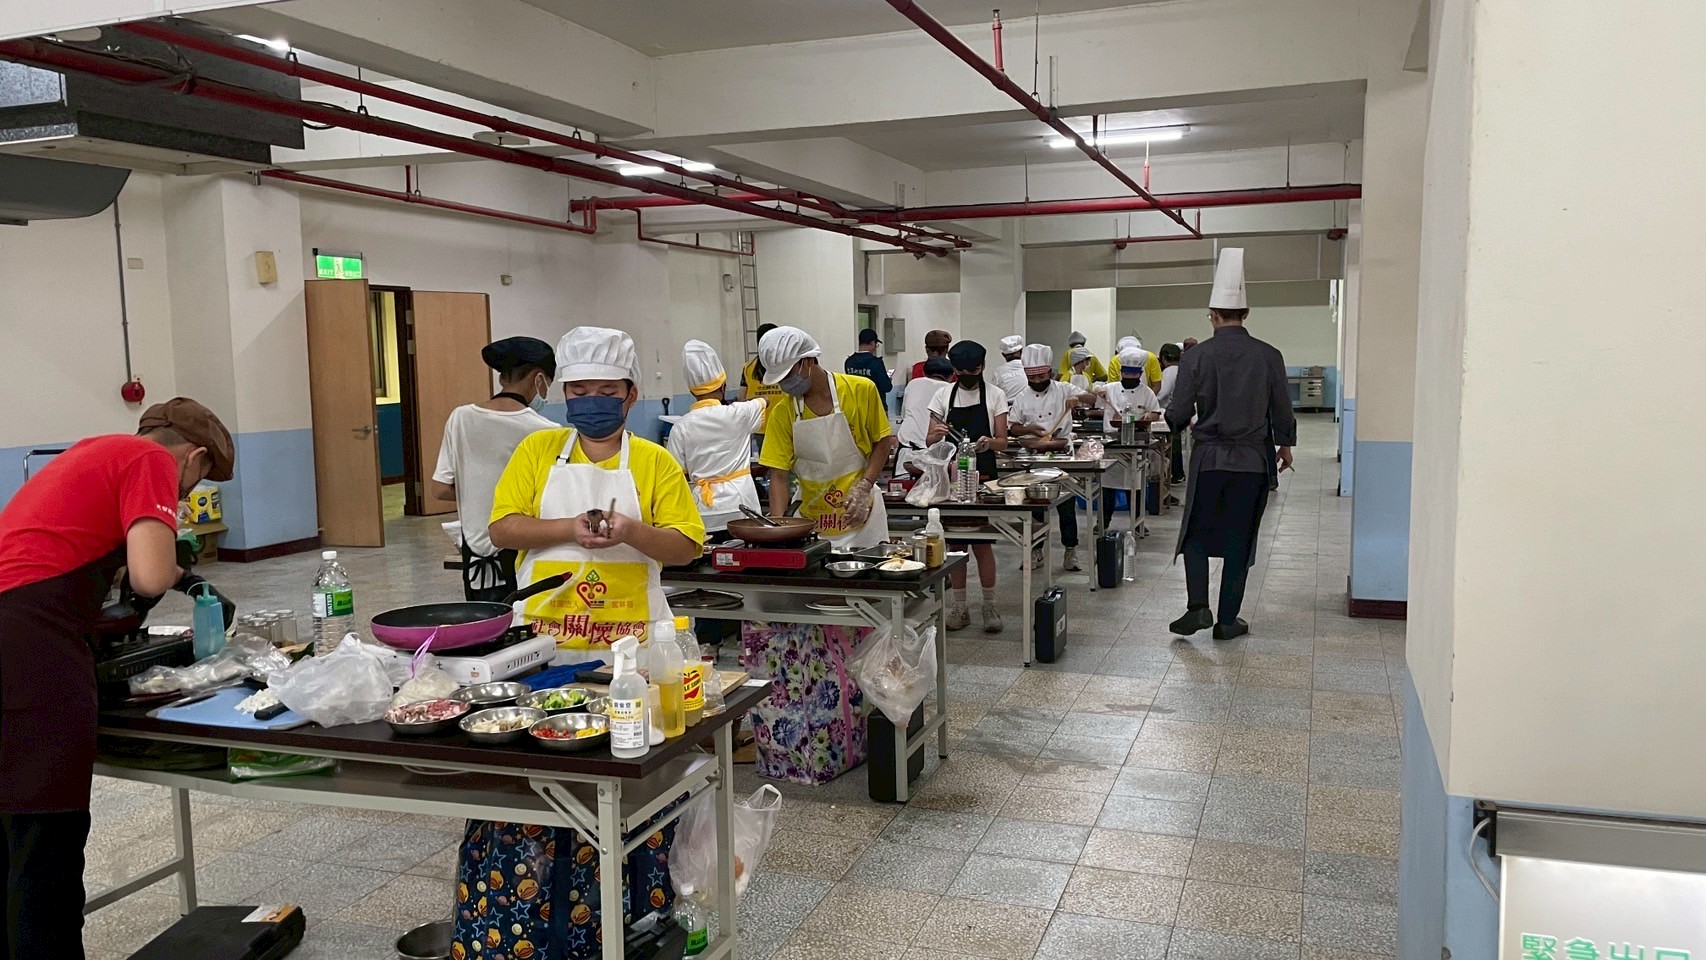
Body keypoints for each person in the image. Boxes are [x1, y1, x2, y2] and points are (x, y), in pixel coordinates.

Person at [0, 398, 235, 956]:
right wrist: (171, 574)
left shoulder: (94, 452)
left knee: (11, 838)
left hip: (14, 625)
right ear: (194, 457)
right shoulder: (151, 462)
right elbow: (149, 577)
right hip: (30, 646)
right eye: (198, 481)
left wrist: (181, 576)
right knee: (44, 847)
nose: (188, 495)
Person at [490, 326, 705, 652]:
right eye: (579, 392)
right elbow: (502, 531)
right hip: (545, 638)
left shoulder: (655, 461)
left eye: (606, 393)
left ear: (630, 396)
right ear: (565, 394)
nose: (591, 402)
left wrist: (630, 531)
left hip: (633, 642)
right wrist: (569, 529)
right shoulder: (536, 449)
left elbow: (685, 550)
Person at [1165, 249, 1296, 641]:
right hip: (1253, 461)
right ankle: (1227, 621)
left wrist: (1171, 424)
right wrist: (1285, 445)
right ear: (1246, 313)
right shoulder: (1269, 355)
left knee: (1196, 533)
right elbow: (1282, 408)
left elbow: (1178, 412)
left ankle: (1197, 607)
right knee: (1241, 538)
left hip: (1208, 459)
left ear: (1212, 315)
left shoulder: (1196, 357)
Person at [431, 336, 558, 602]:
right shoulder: (546, 431)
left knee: (484, 622)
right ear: (538, 379)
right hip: (523, 549)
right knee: (525, 621)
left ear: (502, 377)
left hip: (475, 555)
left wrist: (476, 493)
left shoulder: (460, 418)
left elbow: (440, 489)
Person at [758, 326, 898, 548]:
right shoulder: (783, 412)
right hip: (811, 522)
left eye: (788, 375)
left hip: (861, 514)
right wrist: (778, 529)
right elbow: (779, 476)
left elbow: (882, 442)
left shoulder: (860, 390)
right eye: (780, 379)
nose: (785, 384)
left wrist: (865, 487)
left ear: (808, 360)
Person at [926, 340, 1010, 632]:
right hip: (951, 478)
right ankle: (959, 607)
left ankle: (989, 605)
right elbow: (929, 440)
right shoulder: (943, 395)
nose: (966, 377)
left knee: (982, 544)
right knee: (956, 545)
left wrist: (989, 442)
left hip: (983, 477)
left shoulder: (995, 395)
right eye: (960, 373)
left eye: (972, 372)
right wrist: (937, 434)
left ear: (982, 367)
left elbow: (1003, 440)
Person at [666, 339, 769, 536]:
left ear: (691, 391)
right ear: (723, 386)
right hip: (742, 508)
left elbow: (679, 475)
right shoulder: (740, 413)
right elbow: (765, 401)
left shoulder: (680, 427)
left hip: (704, 511)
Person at [1008, 344, 1094, 571]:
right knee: (1034, 506)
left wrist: (1078, 399)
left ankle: (1070, 551)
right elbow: (1013, 427)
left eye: (1041, 377)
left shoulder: (1063, 389)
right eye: (1032, 378)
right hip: (1033, 456)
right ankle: (1035, 551)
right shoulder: (1022, 397)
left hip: (1061, 454)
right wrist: (1030, 430)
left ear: (1050, 372)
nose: (1037, 381)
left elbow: (1091, 398)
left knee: (1066, 505)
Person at [1092, 345, 1164, 527]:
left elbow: (1155, 413)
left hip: (1136, 443)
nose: (1130, 377)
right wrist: (1097, 390)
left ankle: (1138, 523)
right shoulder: (1110, 389)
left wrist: (1149, 416)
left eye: (1134, 374)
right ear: (1121, 372)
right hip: (1111, 443)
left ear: (1140, 374)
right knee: (1107, 486)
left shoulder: (1146, 392)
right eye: (1126, 373)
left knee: (1135, 486)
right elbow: (1093, 395)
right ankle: (1102, 523)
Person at [894, 356, 955, 478]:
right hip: (937, 455)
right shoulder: (951, 389)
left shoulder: (913, 384)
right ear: (951, 375)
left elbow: (904, 414)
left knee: (904, 486)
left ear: (924, 373)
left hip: (907, 453)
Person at [1157, 342, 1187, 488]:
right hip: (1181, 411)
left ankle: (1174, 474)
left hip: (1168, 412)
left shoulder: (1169, 372)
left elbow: (1162, 394)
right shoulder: (1182, 369)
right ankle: (1178, 473)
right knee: (1175, 443)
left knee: (1171, 445)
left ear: (1163, 358)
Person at [844, 328, 893, 407]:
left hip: (857, 406)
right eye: (876, 344)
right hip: (876, 407)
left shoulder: (849, 362)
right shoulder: (876, 363)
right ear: (872, 342)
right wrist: (888, 380)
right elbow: (886, 387)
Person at [988, 334, 1027, 403]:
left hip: (1007, 407)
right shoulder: (1029, 367)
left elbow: (993, 395)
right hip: (1029, 405)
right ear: (1021, 351)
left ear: (1003, 355)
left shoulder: (998, 372)